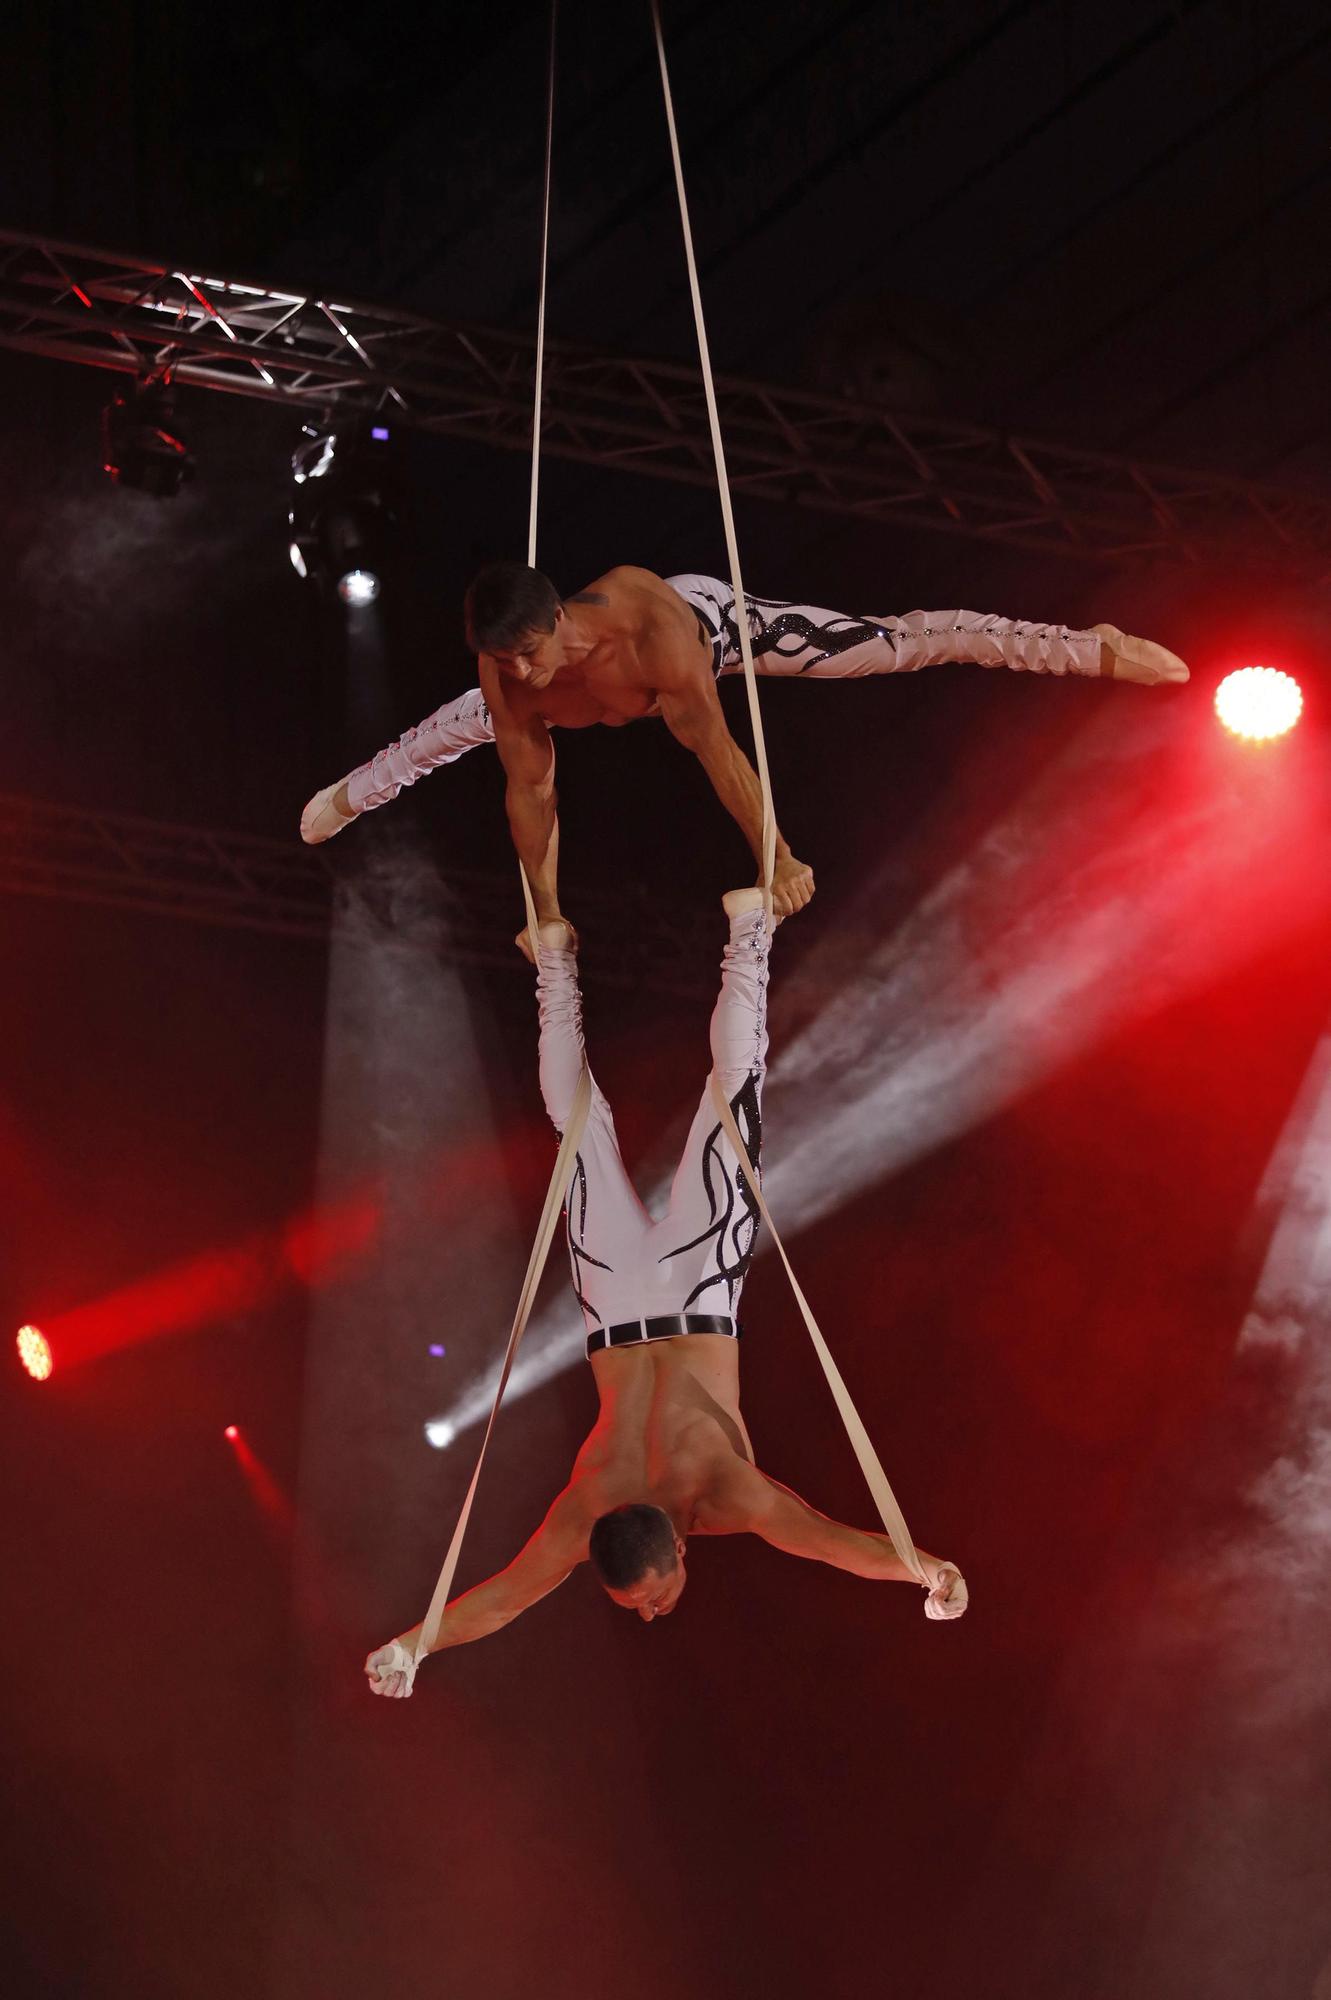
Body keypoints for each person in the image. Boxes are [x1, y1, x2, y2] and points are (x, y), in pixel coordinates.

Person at [365, 887, 966, 1699]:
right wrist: (408, 1646)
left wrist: (928, 1573)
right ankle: (553, 961)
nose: (650, 1615)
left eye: (643, 1600)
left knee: (729, 1091)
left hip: (693, 1290)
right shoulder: (587, 1507)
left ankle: (743, 933)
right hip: (616, 1307)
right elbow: (506, 1596)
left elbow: (830, 1542)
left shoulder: (719, 1495)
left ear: (679, 1548)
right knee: (578, 1123)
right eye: (646, 1606)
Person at [304, 562, 1189, 931]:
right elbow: (529, 793)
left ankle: (1084, 645)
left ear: (557, 625)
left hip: (716, 629)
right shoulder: (511, 675)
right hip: (613, 698)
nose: (521, 676)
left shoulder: (653, 636)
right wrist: (544, 914)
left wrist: (778, 856)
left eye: (527, 655)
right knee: (449, 730)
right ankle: (350, 794)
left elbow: (720, 756)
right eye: (505, 662)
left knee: (886, 647)